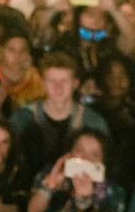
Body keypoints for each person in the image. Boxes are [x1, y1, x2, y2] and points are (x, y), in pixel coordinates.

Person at [10, 52, 110, 181]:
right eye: (52, 81)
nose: (58, 88)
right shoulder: (22, 119)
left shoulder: (94, 122)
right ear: (43, 83)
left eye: (64, 81)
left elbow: (103, 170)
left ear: (75, 84)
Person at [26, 127, 124, 212]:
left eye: (94, 154)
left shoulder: (113, 190)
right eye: (79, 150)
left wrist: (84, 203)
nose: (85, 158)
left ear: (103, 161)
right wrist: (49, 186)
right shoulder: (51, 172)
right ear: (70, 153)